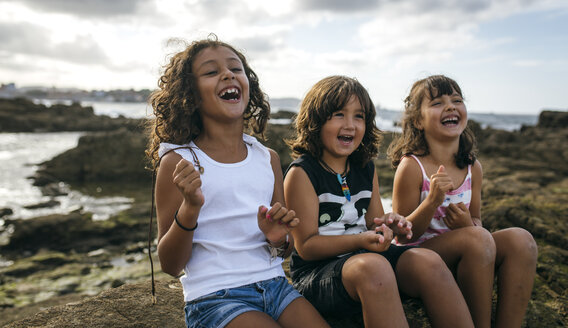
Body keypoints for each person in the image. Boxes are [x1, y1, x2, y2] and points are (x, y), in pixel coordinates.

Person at [146, 35, 329, 328]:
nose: (228, 74)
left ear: (248, 85)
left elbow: (284, 247)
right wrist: (191, 207)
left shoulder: (266, 157)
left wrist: (278, 237)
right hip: (214, 298)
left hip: (276, 287)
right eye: (211, 71)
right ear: (190, 95)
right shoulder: (178, 161)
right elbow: (170, 265)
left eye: (235, 68)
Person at [283, 75, 474, 327]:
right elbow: (306, 246)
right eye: (339, 114)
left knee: (428, 260)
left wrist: (390, 224)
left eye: (359, 116)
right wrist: (361, 240)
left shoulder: (364, 167)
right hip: (318, 274)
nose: (350, 124)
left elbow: (375, 223)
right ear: (316, 121)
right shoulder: (302, 173)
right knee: (373, 267)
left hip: (364, 257)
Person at [388, 74, 538, 328]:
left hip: (463, 253)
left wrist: (468, 223)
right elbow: (403, 237)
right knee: (476, 239)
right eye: (437, 103)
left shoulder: (472, 168)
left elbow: (476, 220)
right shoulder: (412, 167)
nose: (450, 106)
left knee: (521, 240)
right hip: (416, 263)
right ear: (418, 121)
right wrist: (432, 201)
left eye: (456, 100)